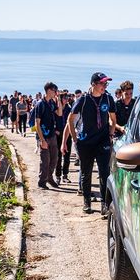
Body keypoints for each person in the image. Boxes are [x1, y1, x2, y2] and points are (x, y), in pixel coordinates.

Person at [63, 72, 116, 215]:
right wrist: (75, 139)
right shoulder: (83, 100)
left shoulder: (108, 98)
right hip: (85, 142)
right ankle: (87, 201)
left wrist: (110, 133)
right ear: (93, 84)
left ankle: (105, 204)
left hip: (103, 141)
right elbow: (70, 119)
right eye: (102, 83)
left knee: (104, 173)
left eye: (106, 83)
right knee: (86, 174)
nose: (105, 86)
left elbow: (112, 119)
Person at [36, 82, 63, 189]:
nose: (56, 92)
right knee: (45, 161)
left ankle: (49, 177)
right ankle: (42, 181)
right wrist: (42, 140)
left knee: (54, 159)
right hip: (44, 137)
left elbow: (59, 113)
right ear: (49, 91)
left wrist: (59, 100)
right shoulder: (40, 104)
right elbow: (37, 123)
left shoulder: (52, 102)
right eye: (54, 90)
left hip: (52, 135)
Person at [55, 92, 74, 183]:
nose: (67, 99)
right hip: (58, 134)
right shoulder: (55, 108)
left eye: (67, 97)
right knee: (58, 157)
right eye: (65, 97)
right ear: (60, 99)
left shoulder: (69, 108)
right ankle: (57, 176)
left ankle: (65, 175)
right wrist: (55, 129)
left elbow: (71, 121)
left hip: (67, 134)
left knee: (67, 156)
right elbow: (52, 120)